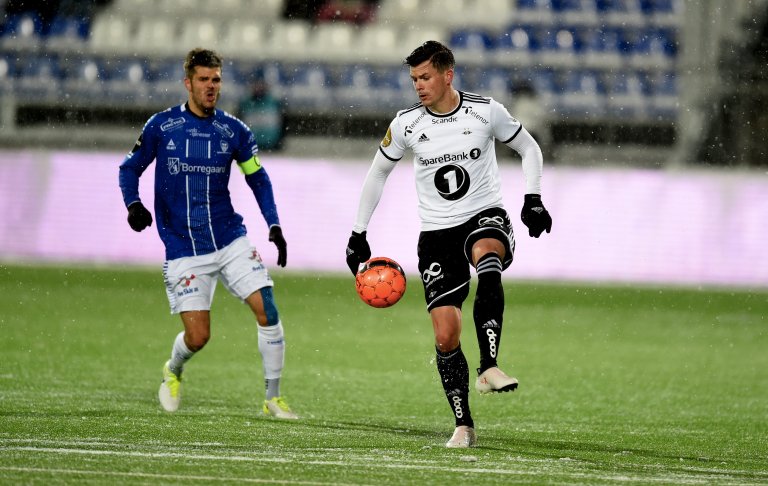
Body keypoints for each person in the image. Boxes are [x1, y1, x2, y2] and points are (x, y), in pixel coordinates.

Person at [345, 41, 552, 448]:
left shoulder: (485, 111)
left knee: (488, 257)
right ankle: (463, 424)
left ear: (447, 75)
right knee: (445, 335)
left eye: (425, 77)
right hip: (437, 235)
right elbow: (377, 175)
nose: (418, 86)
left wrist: (533, 198)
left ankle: (489, 366)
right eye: (414, 79)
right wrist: (358, 232)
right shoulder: (406, 124)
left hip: (484, 215)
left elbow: (529, 147)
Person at [119, 48, 298, 420]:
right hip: (183, 246)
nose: (211, 86)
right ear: (188, 83)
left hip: (229, 237)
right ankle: (173, 369)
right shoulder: (162, 127)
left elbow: (257, 178)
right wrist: (132, 204)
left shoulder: (234, 130)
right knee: (199, 337)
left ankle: (273, 398)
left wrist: (274, 223)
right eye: (203, 79)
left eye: (216, 79)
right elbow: (129, 168)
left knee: (267, 307)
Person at [236, 76, 284, 152]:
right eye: (256, 84)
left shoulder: (274, 103)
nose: (258, 87)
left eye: (261, 84)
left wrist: (279, 142)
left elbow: (282, 123)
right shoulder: (245, 104)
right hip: (251, 148)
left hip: (272, 146)